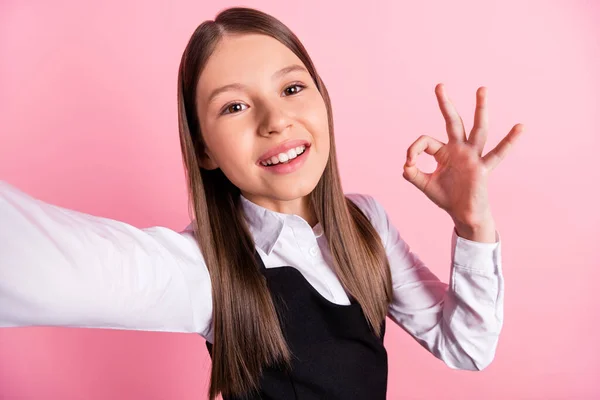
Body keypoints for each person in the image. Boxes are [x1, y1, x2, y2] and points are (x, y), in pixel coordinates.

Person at [0, 6, 524, 400]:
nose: (274, 119)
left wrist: (472, 222)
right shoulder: (205, 269)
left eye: (292, 88)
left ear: (322, 97)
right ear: (203, 149)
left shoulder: (367, 224)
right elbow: (28, 261)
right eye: (234, 105)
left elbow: (466, 346)